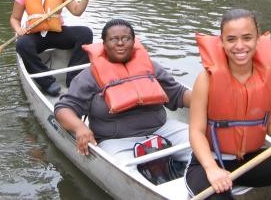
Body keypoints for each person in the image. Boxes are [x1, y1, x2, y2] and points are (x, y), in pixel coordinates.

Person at [186, 9, 271, 200]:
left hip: (250, 160)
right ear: (221, 42)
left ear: (257, 39)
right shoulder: (206, 79)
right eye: (231, 39)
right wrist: (212, 169)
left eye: (247, 38)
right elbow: (196, 132)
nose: (239, 46)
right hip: (210, 161)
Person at [54, 18, 191, 164]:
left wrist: (208, 97)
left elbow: (178, 94)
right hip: (116, 141)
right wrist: (80, 127)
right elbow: (63, 109)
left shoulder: (150, 67)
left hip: (162, 129)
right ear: (104, 44)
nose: (120, 43)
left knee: (203, 144)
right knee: (128, 168)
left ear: (134, 42)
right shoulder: (89, 76)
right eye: (113, 39)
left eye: (126, 38)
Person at [10, 0, 95, 96]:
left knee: (85, 33)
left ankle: (73, 77)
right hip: (35, 35)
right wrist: (18, 29)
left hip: (56, 33)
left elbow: (77, 11)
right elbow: (14, 18)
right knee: (22, 45)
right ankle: (47, 82)